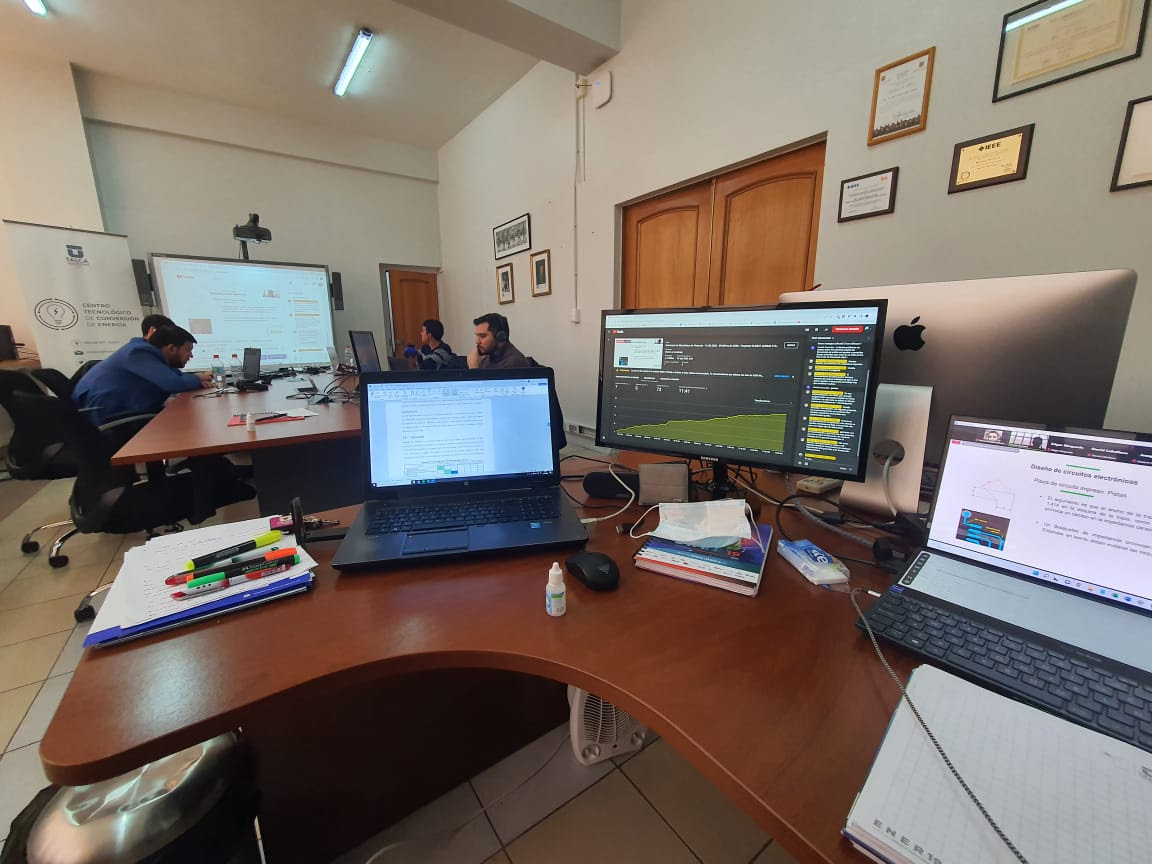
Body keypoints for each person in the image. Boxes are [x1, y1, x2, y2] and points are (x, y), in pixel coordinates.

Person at [73, 324, 213, 426]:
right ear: (171, 348)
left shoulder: (153, 355)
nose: (191, 356)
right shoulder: (138, 353)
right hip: (107, 415)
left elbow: (176, 376)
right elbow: (174, 383)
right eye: (188, 350)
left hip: (120, 410)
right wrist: (197, 378)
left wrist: (197, 378)